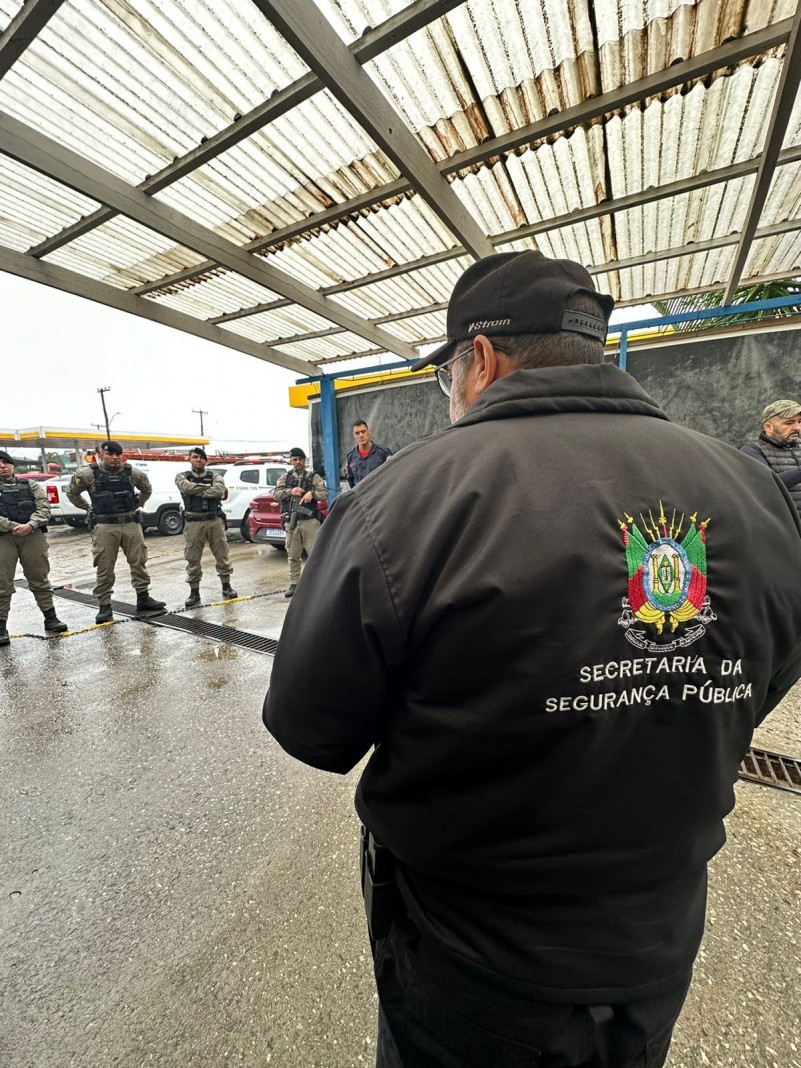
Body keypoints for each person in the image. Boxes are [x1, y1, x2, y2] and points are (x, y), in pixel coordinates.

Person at [262, 250, 801, 1068]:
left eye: (445, 374)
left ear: (477, 359)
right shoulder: (751, 490)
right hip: (655, 932)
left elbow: (311, 726)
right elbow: (765, 672)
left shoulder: (402, 500)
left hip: (466, 947)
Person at [67, 441, 166, 623]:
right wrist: (87, 507)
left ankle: (143, 598)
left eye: (118, 455)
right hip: (105, 525)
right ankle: (105, 606)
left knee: (139, 562)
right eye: (110, 454)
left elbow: (147, 488)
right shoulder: (88, 474)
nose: (114, 458)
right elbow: (72, 492)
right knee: (105, 566)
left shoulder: (131, 473)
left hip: (130, 523)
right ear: (101, 454)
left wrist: (138, 503)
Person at [0, 449, 67, 645]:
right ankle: (1, 627)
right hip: (4, 538)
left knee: (40, 577)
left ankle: (51, 618)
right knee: (2, 583)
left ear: (12, 465)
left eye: (5, 462)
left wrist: (30, 525)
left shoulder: (31, 485)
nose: (2, 466)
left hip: (32, 534)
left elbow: (44, 508)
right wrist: (13, 527)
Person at [175, 447, 237, 607]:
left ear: (205, 460)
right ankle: (194, 592)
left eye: (201, 458)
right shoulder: (182, 476)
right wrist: (205, 488)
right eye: (195, 457)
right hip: (193, 522)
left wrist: (196, 489)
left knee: (222, 554)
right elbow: (185, 488)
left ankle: (226, 586)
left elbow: (218, 491)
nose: (198, 460)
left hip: (214, 520)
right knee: (192, 557)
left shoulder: (215, 476)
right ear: (190, 459)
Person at [272, 448, 327, 598]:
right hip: (292, 521)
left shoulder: (313, 477)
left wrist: (312, 494)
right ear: (291, 461)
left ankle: (318, 584)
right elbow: (276, 495)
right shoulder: (284, 478)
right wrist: (291, 491)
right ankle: (294, 583)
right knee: (293, 554)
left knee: (315, 555)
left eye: (300, 459)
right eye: (295, 459)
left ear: (304, 460)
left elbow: (324, 495)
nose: (298, 462)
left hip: (310, 522)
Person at [740, 399, 801, 515]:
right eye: (789, 423)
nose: (797, 427)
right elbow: (766, 485)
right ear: (769, 427)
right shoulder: (752, 450)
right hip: (784, 527)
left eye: (800, 421)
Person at [346, 421, 393, 487]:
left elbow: (392, 477)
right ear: (354, 436)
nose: (361, 435)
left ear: (369, 432)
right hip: (360, 496)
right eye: (357, 433)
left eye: (363, 431)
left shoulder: (383, 453)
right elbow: (351, 480)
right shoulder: (351, 457)